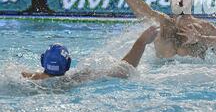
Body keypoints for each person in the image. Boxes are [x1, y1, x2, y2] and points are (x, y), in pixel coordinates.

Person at [124, 0, 216, 61]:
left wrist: (201, 39)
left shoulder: (207, 28)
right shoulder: (161, 22)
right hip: (160, 75)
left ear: (192, 0)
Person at [21, 27, 159, 81]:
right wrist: (141, 42)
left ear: (42, 61)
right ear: (68, 64)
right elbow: (124, 69)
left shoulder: (28, 79)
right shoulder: (76, 79)